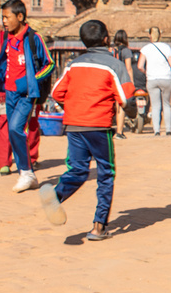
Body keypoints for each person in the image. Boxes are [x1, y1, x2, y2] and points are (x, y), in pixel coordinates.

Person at [39, 19, 130, 241]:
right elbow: (125, 96)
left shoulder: (73, 64)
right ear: (106, 39)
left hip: (74, 125)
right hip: (99, 126)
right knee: (105, 173)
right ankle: (98, 227)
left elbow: (57, 92)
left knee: (78, 170)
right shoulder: (114, 64)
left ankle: (57, 195)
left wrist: (74, 104)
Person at [0, 0, 53, 192]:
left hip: (26, 94)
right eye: (2, 17)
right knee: (13, 134)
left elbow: (50, 64)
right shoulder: (6, 38)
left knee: (15, 128)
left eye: (7, 17)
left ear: (20, 17)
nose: (4, 21)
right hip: (8, 93)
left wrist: (30, 81)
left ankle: (26, 172)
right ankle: (27, 172)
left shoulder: (34, 38)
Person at [138, 27, 171, 136]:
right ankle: (168, 130)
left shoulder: (145, 48)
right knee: (166, 104)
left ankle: (157, 131)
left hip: (152, 78)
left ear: (149, 35)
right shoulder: (166, 47)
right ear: (160, 35)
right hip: (166, 77)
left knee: (155, 106)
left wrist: (147, 72)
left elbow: (140, 66)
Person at [111, 29, 139, 138]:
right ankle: (119, 131)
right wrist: (131, 81)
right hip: (121, 80)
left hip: (110, 78)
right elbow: (129, 68)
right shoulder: (126, 51)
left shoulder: (110, 49)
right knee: (120, 105)